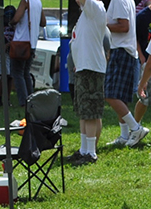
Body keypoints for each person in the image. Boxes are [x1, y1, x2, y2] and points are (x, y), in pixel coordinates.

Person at [66, 0, 108, 165]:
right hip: (84, 67)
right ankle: (84, 150)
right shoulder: (86, 12)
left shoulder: (95, 6)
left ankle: (90, 153)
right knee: (84, 112)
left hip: (91, 67)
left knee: (90, 112)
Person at [105, 0, 149, 147]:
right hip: (124, 50)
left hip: (121, 50)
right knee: (120, 97)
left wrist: (101, 26)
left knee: (110, 95)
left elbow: (124, 26)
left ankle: (135, 129)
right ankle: (124, 135)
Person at [9, 0, 46, 107]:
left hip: (21, 42)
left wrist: (10, 22)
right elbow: (43, 22)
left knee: (17, 73)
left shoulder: (25, 1)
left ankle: (23, 101)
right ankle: (31, 99)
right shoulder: (38, 2)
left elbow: (16, 19)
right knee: (26, 73)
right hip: (32, 43)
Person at [132, 6, 151, 124]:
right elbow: (134, 37)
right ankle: (135, 126)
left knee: (144, 95)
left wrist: (141, 85)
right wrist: (141, 56)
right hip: (145, 59)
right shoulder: (142, 17)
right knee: (144, 98)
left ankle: (134, 129)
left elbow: (150, 65)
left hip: (148, 64)